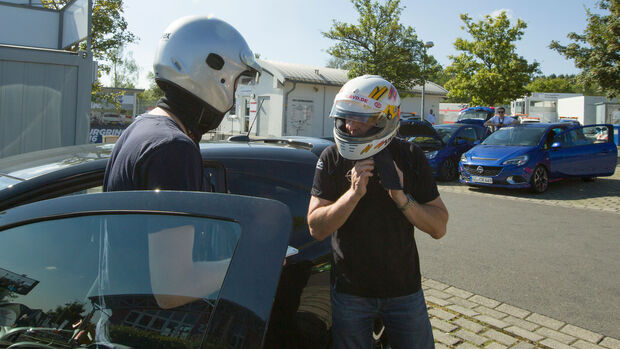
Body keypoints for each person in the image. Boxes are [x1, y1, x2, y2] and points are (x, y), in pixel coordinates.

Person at [102, 16, 261, 308]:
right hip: (149, 327)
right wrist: (257, 259)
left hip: (121, 311)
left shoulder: (139, 129)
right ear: (215, 74)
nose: (235, 94)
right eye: (237, 82)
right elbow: (173, 288)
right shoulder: (173, 149)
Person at [307, 75, 449, 349]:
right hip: (350, 292)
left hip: (404, 291)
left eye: (360, 119)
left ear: (384, 119)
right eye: (346, 118)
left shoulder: (410, 155)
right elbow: (316, 228)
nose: (350, 126)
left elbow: (438, 227)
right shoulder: (332, 158)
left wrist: (400, 196)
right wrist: (353, 194)